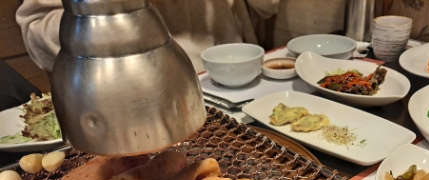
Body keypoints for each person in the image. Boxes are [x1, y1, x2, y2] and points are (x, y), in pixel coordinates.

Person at [16, 0, 280, 73]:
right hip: (137, 100)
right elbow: (37, 35)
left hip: (237, 79)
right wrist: (111, 9)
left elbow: (265, 7)